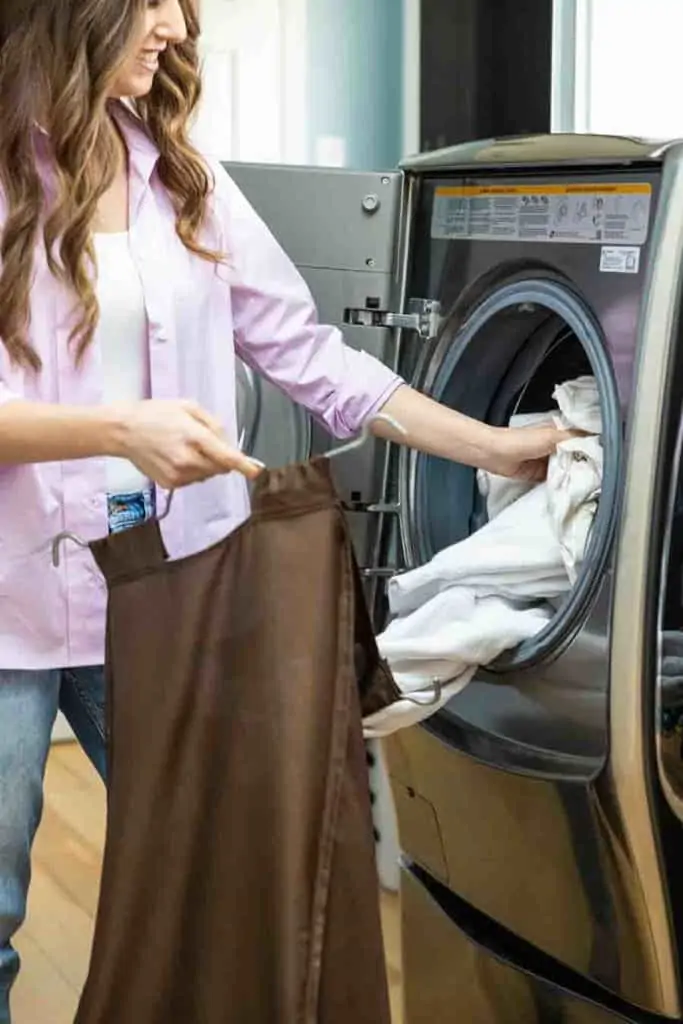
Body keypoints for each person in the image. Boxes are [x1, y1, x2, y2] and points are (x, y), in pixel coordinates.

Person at [0, 0, 572, 1016]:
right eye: (148, 1)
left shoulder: (181, 176)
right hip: (11, 606)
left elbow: (309, 357)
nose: (176, 23)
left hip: (174, 590)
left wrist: (492, 445)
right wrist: (116, 430)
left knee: (221, 873)